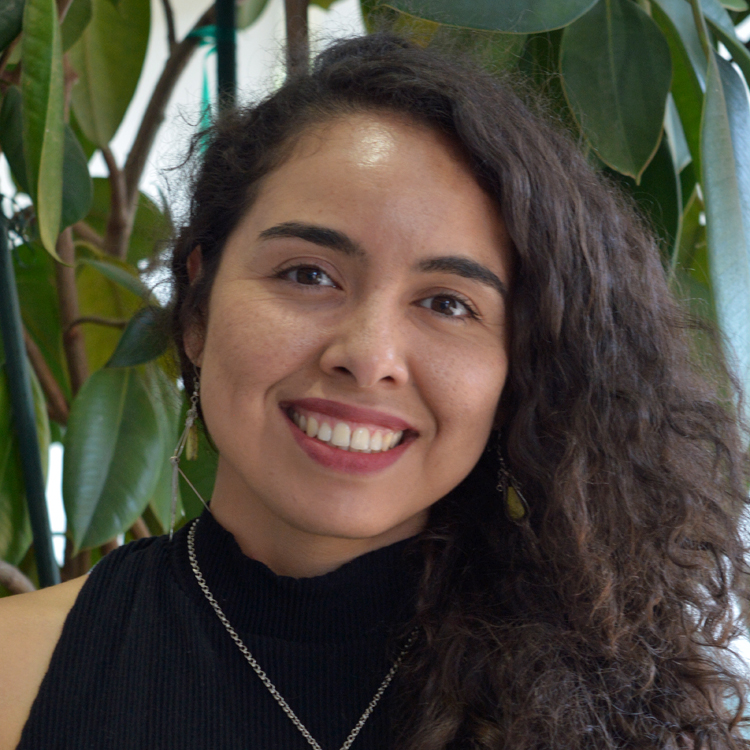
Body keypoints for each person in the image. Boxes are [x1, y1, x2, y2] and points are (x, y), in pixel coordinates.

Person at [1, 32, 748, 750]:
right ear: (196, 308)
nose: (368, 357)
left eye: (448, 303)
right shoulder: (17, 673)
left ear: (521, 370)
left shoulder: (631, 714)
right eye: (308, 275)